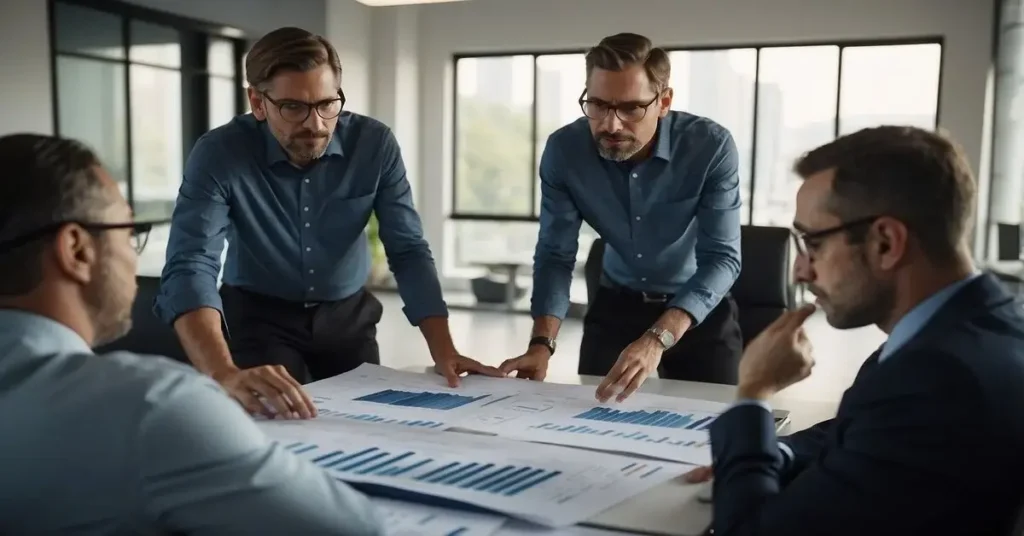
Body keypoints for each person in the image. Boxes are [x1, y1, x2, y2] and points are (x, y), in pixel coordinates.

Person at [0, 133, 383, 535]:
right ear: (77, 250)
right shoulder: (152, 408)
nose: (132, 253)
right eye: (130, 230)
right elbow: (353, 528)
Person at [687, 126, 1024, 535]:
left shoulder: (936, 380)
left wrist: (754, 394)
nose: (800, 269)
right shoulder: (984, 327)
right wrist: (774, 451)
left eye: (813, 243)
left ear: (885, 242)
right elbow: (867, 431)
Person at [155, 27, 499, 419]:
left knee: (370, 428)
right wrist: (222, 373)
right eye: (294, 108)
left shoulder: (373, 144)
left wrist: (444, 351)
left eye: (326, 103)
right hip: (259, 317)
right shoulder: (219, 153)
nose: (316, 124)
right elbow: (192, 263)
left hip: (348, 319)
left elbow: (407, 249)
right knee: (277, 428)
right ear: (258, 101)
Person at [499, 33, 743, 400]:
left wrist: (657, 338)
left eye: (631, 109)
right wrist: (541, 344)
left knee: (715, 429)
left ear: (664, 102)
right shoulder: (565, 151)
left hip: (696, 309)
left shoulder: (710, 147)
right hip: (616, 303)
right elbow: (555, 252)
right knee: (590, 418)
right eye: (598, 105)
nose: (611, 125)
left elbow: (723, 258)